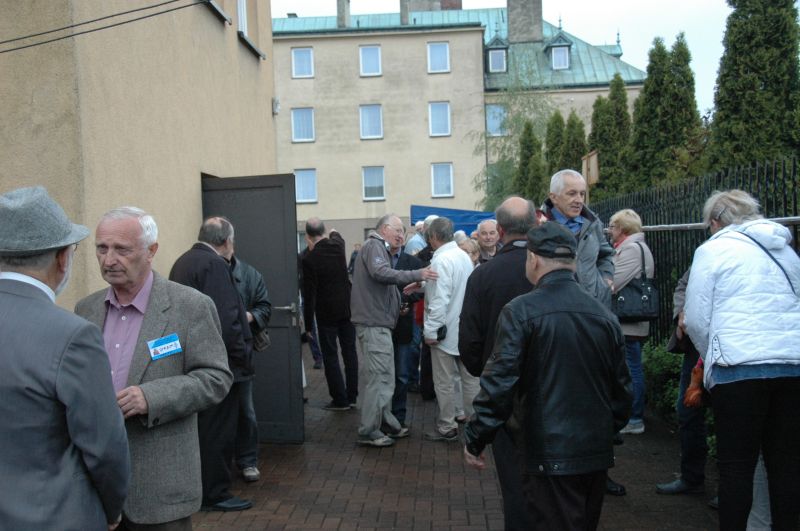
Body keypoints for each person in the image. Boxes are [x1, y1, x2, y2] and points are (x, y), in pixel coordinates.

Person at [463, 222, 632, 530]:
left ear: (533, 259)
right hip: (593, 455)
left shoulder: (520, 311)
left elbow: (499, 383)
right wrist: (604, 432)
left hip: (546, 453)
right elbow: (621, 392)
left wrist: (476, 437)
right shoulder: (603, 315)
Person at [76, 206, 233, 528]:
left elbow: (216, 378)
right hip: (94, 488)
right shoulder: (86, 310)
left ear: (151, 251)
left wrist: (152, 397)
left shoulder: (190, 306)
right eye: (102, 248)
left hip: (159, 490)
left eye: (121, 250)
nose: (108, 260)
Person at [0, 187, 130, 531]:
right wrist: (113, 509)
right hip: (53, 517)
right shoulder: (73, 334)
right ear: (62, 258)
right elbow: (104, 447)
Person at [684, 190, 800, 530]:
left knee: (736, 468)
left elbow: (696, 319)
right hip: (792, 365)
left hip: (738, 369)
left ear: (715, 222)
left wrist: (711, 358)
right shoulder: (786, 251)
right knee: (786, 466)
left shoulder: (713, 250)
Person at [541, 169, 623, 497]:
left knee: (597, 398)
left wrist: (606, 280)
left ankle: (599, 470)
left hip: (593, 316)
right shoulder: (541, 225)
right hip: (556, 321)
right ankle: (560, 467)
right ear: (554, 197)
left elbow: (606, 254)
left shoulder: (592, 222)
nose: (579, 200)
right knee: (561, 396)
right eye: (572, 193)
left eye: (582, 193)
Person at [458, 196, 536, 529]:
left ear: (500, 231)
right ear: (534, 225)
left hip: (504, 394)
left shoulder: (483, 276)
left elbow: (469, 339)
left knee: (515, 485)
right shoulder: (553, 270)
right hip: (551, 388)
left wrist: (484, 370)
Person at [169, 216, 254, 513]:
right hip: (219, 365)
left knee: (203, 429)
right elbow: (227, 318)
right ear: (226, 241)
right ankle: (215, 493)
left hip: (190, 358)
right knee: (219, 430)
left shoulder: (183, 262)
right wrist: (240, 358)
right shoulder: (215, 265)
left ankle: (202, 488)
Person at [351, 214, 438, 447]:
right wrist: (418, 274)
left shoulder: (378, 248)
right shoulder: (374, 246)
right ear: (385, 229)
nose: (401, 236)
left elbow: (381, 283)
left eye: (403, 232)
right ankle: (370, 430)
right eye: (398, 230)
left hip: (379, 324)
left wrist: (401, 298)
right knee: (378, 379)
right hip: (374, 325)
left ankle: (386, 422)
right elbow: (381, 274)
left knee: (385, 378)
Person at [421, 217, 478, 442]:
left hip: (445, 331)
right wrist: (422, 284)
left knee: (444, 381)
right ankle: (473, 423)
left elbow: (439, 298)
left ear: (434, 236)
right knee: (470, 380)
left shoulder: (441, 260)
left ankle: (447, 425)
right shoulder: (463, 256)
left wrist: (430, 332)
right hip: (466, 328)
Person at [655, 269, 709, 496]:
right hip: (697, 347)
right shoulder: (706, 255)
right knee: (688, 411)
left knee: (730, 417)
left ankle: (732, 489)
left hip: (733, 346)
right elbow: (683, 286)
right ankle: (691, 477)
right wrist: (681, 314)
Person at [302, 217, 358, 411]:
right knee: (350, 352)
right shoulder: (338, 246)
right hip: (347, 310)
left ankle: (340, 400)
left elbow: (309, 295)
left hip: (326, 314)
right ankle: (352, 396)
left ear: (308, 236)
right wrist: (332, 232)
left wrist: (308, 325)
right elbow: (336, 235)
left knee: (331, 356)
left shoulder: (309, 259)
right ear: (324, 231)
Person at [226, 247, 272, 483]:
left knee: (246, 411)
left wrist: (248, 317)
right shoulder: (204, 271)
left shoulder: (250, 274)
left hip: (240, 355)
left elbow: (265, 307)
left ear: (229, 244)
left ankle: (248, 460)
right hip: (210, 354)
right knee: (214, 414)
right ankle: (219, 462)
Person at [609, 209, 655, 435]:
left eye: (612, 226)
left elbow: (613, 282)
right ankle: (632, 416)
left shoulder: (632, 249)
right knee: (630, 366)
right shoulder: (634, 247)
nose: (609, 230)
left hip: (628, 321)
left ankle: (635, 418)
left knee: (630, 368)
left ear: (622, 228)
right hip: (629, 320)